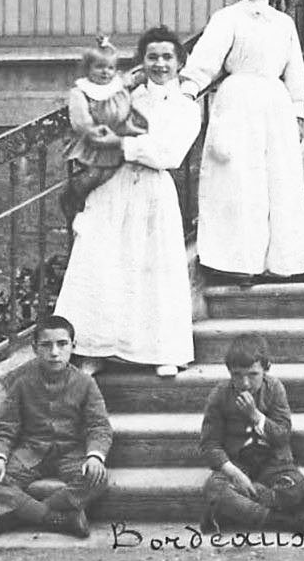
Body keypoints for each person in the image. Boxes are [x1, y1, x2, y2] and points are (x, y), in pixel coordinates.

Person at [55, 27, 199, 377]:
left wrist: (121, 145)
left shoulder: (186, 108)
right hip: (114, 184)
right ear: (142, 61)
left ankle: (163, 350)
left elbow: (169, 153)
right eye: (152, 57)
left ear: (180, 63)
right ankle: (95, 348)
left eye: (167, 57)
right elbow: (94, 116)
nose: (160, 64)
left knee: (155, 267)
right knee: (103, 261)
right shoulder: (125, 95)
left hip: (152, 188)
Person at [180, 0, 304, 283]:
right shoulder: (227, 19)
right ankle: (238, 262)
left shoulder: (283, 23)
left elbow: (295, 71)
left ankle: (280, 262)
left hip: (276, 104)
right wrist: (187, 91)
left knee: (278, 180)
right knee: (238, 179)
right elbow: (205, 61)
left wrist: (297, 112)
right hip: (238, 102)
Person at [0, 315, 111, 538]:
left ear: (73, 346)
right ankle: (59, 519)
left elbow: (99, 426)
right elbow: (5, 428)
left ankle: (19, 515)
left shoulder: (86, 383)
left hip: (70, 453)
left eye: (62, 344)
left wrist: (95, 457)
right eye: (46, 345)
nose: (54, 352)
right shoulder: (23, 383)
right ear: (34, 348)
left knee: (97, 479)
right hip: (31, 452)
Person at [198, 334, 304, 536]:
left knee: (297, 486)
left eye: (253, 374)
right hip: (238, 464)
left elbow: (283, 435)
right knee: (214, 488)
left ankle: (235, 507)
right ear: (229, 372)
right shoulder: (220, 394)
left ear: (266, 369)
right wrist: (235, 474)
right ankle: (280, 521)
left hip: (273, 464)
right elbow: (209, 445)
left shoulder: (274, 389)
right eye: (237, 375)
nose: (245, 383)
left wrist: (255, 415)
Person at [59, 35, 148, 221]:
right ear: (88, 68)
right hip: (95, 140)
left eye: (110, 68)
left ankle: (93, 207)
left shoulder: (117, 85)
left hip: (117, 136)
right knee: (94, 174)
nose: (105, 72)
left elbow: (133, 78)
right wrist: (91, 130)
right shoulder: (81, 92)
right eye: (99, 67)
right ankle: (73, 195)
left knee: (109, 174)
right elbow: (80, 118)